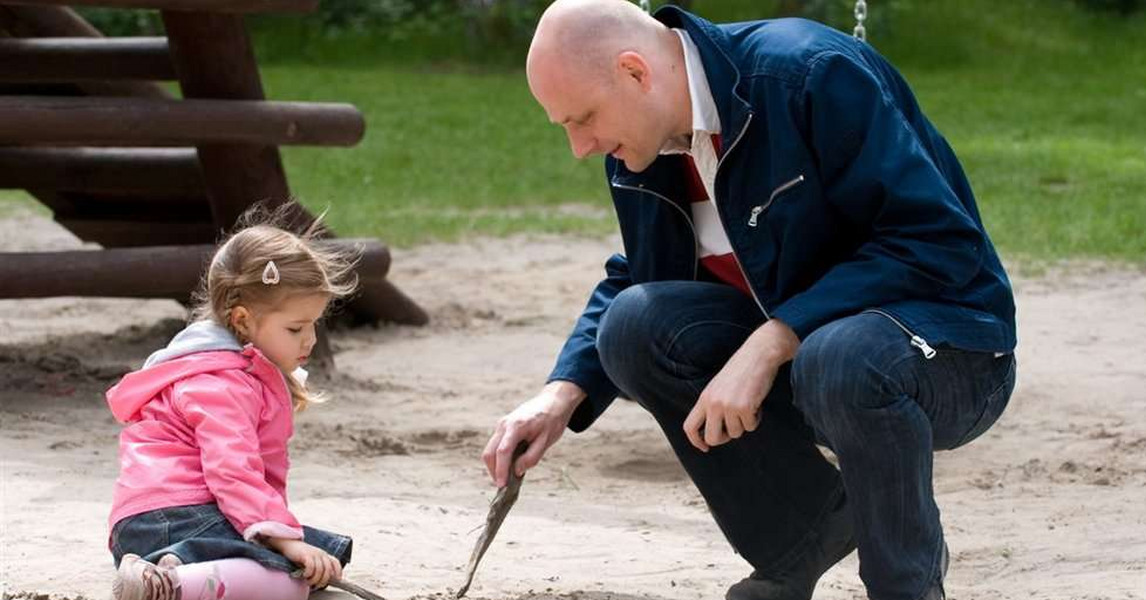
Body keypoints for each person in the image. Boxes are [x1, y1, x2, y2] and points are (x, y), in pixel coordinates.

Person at [482, 2, 1018, 600]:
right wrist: (561, 393)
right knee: (634, 324)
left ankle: (905, 586)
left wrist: (775, 339)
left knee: (838, 356)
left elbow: (938, 242)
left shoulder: (809, 74)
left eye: (581, 119)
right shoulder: (639, 144)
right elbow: (640, 274)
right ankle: (804, 537)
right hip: (812, 361)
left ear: (636, 73)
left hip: (952, 350)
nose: (579, 146)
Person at [105, 211, 359, 600]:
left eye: (314, 325)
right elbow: (231, 469)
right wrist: (283, 542)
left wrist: (282, 537)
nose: (309, 340)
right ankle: (170, 585)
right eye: (295, 328)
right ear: (242, 319)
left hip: (154, 521)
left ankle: (179, 568)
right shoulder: (221, 382)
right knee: (289, 581)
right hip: (172, 517)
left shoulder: (226, 368)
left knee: (320, 560)